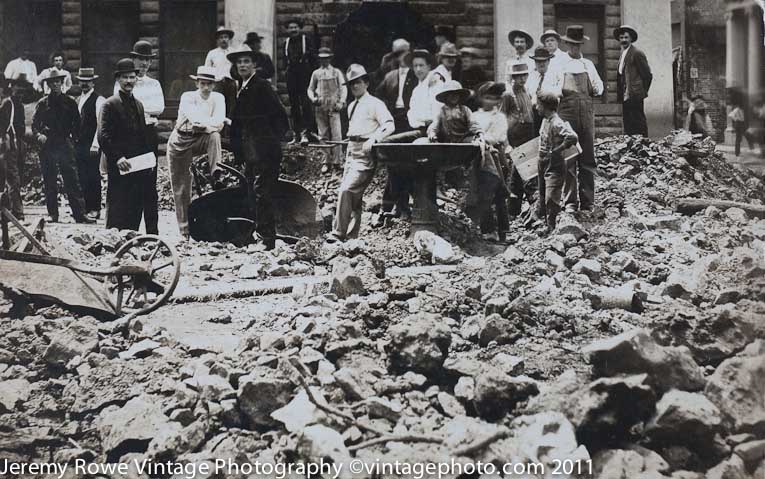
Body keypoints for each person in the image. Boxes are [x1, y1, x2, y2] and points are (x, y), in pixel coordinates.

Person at [228, 46, 290, 250]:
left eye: (247, 61)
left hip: (265, 150)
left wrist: (269, 141)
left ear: (254, 64)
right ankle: (255, 234)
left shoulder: (261, 86)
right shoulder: (242, 87)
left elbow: (280, 117)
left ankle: (267, 239)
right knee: (252, 192)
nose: (243, 65)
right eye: (240, 62)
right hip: (250, 151)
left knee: (263, 192)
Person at [328, 64, 394, 243]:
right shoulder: (351, 106)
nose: (354, 87)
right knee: (354, 197)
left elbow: (389, 124)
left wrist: (373, 139)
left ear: (366, 83)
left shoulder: (375, 104)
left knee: (347, 189)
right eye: (351, 84)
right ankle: (351, 236)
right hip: (351, 150)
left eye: (357, 82)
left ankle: (338, 233)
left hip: (365, 153)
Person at [112, 40, 165, 234]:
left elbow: (159, 108)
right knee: (130, 183)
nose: (144, 64)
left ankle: (152, 232)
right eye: (140, 59)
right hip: (129, 136)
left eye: (148, 60)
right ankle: (130, 230)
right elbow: (119, 107)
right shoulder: (124, 82)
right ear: (133, 59)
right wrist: (143, 110)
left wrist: (139, 109)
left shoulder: (154, 83)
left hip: (148, 135)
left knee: (149, 184)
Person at [167, 66, 225, 239]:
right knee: (182, 187)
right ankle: (185, 232)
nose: (206, 88)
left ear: (214, 85)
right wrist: (212, 124)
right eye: (202, 84)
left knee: (214, 136)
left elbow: (219, 122)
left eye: (209, 84)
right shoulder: (188, 97)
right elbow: (196, 120)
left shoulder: (218, 98)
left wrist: (211, 125)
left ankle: (217, 173)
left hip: (201, 138)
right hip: (180, 141)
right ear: (197, 83)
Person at [99, 59, 155, 232]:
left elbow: (142, 135)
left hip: (137, 163)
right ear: (118, 79)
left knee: (135, 203)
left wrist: (149, 160)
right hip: (120, 163)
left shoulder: (138, 105)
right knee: (118, 201)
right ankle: (113, 240)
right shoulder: (110, 104)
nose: (129, 81)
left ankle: (131, 239)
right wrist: (117, 157)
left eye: (132, 77)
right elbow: (104, 135)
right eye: (125, 77)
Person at [32, 72, 92, 224]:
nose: (55, 85)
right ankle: (53, 215)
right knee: (49, 179)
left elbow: (78, 124)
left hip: (64, 144)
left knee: (72, 179)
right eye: (52, 83)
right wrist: (39, 135)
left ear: (62, 83)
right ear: (48, 85)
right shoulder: (43, 103)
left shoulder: (70, 102)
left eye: (58, 82)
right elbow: (34, 125)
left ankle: (80, 214)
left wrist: (73, 139)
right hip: (48, 146)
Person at [558, 25, 603, 213]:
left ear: (581, 45)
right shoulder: (559, 65)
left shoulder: (588, 65)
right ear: (567, 44)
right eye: (571, 44)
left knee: (587, 158)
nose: (575, 48)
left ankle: (587, 202)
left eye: (578, 45)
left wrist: (594, 86)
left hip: (586, 115)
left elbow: (599, 88)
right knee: (569, 158)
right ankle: (570, 202)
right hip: (567, 115)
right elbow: (553, 89)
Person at [375, 42, 418, 220]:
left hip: (410, 121)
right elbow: (378, 96)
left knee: (407, 163)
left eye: (405, 53)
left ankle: (402, 206)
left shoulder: (417, 75)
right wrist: (385, 113)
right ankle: (394, 206)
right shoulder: (390, 76)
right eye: (398, 54)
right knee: (393, 164)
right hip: (394, 121)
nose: (402, 57)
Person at [468, 82, 510, 243]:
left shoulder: (499, 117)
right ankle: (488, 230)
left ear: (498, 101)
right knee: (483, 193)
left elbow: (498, 137)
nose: (489, 102)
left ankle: (504, 230)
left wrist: (482, 138)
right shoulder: (474, 116)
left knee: (499, 193)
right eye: (486, 98)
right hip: (479, 157)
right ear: (481, 99)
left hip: (496, 157)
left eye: (493, 99)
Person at [536, 91, 578, 231]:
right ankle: (546, 225)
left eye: (539, 105)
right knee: (542, 194)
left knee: (551, 196)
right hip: (542, 161)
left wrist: (559, 149)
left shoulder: (557, 122)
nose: (536, 107)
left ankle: (553, 226)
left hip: (554, 164)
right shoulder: (545, 121)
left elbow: (572, 137)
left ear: (546, 106)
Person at [503, 62, 537, 217]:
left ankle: (513, 210)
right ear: (512, 77)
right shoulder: (508, 95)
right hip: (515, 133)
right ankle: (532, 203)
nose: (522, 79)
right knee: (523, 169)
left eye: (524, 75)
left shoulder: (527, 91)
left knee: (522, 171)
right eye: (518, 76)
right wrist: (506, 143)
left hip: (528, 133)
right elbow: (501, 119)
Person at [307, 47, 347, 173]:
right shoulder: (316, 73)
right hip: (320, 107)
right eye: (322, 59)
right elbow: (310, 89)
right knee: (322, 134)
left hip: (333, 106)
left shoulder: (336, 72)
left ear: (330, 58)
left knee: (337, 134)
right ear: (319, 60)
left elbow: (343, 88)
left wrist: (341, 102)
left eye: (326, 58)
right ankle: (326, 161)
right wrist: (313, 98)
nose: (324, 61)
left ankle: (337, 161)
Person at [74, 67, 106, 219]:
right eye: (82, 82)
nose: (85, 84)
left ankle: (95, 208)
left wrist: (96, 144)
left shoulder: (99, 100)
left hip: (92, 144)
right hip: (79, 144)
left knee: (93, 175)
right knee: (82, 176)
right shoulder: (78, 100)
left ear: (93, 83)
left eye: (88, 82)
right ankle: (85, 208)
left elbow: (100, 124)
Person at [0, 74, 31, 220]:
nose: (20, 90)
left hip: (19, 143)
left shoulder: (20, 105)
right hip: (10, 143)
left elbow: (22, 127)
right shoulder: (8, 103)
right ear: (12, 87)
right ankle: (18, 212)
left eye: (23, 88)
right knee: (13, 178)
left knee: (16, 177)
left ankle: (10, 209)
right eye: (18, 87)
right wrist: (5, 139)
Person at [615, 25, 652, 137]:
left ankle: (643, 145)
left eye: (626, 37)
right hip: (625, 95)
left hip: (635, 95)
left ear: (631, 39)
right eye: (621, 38)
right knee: (628, 123)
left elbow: (647, 75)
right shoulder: (623, 54)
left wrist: (640, 91)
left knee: (638, 122)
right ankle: (631, 148)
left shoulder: (636, 53)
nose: (623, 40)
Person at [284, 18, 316, 145]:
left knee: (306, 104)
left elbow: (313, 59)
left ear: (299, 28)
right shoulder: (286, 43)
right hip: (292, 76)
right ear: (288, 30)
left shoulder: (305, 40)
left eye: (295, 27)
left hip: (304, 75)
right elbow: (284, 60)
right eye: (291, 27)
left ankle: (307, 133)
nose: (293, 30)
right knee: (294, 106)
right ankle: (297, 133)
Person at [406, 49, 443, 135]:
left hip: (434, 130)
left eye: (421, 65)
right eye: (415, 66)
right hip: (419, 129)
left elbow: (438, 111)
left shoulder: (436, 83)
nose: (418, 69)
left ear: (429, 67)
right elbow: (411, 115)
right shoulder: (416, 90)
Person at [527, 47, 562, 132]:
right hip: (534, 113)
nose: (541, 64)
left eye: (543, 61)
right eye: (538, 61)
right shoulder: (531, 76)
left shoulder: (555, 75)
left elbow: (559, 92)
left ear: (548, 61)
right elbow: (527, 92)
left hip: (550, 113)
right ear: (535, 62)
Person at [205, 26, 237, 119]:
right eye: (221, 37)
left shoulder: (234, 52)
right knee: (218, 107)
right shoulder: (212, 53)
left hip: (231, 83)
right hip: (218, 84)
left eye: (226, 37)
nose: (224, 40)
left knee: (231, 108)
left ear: (229, 39)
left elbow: (237, 70)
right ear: (218, 40)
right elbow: (207, 70)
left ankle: (229, 131)